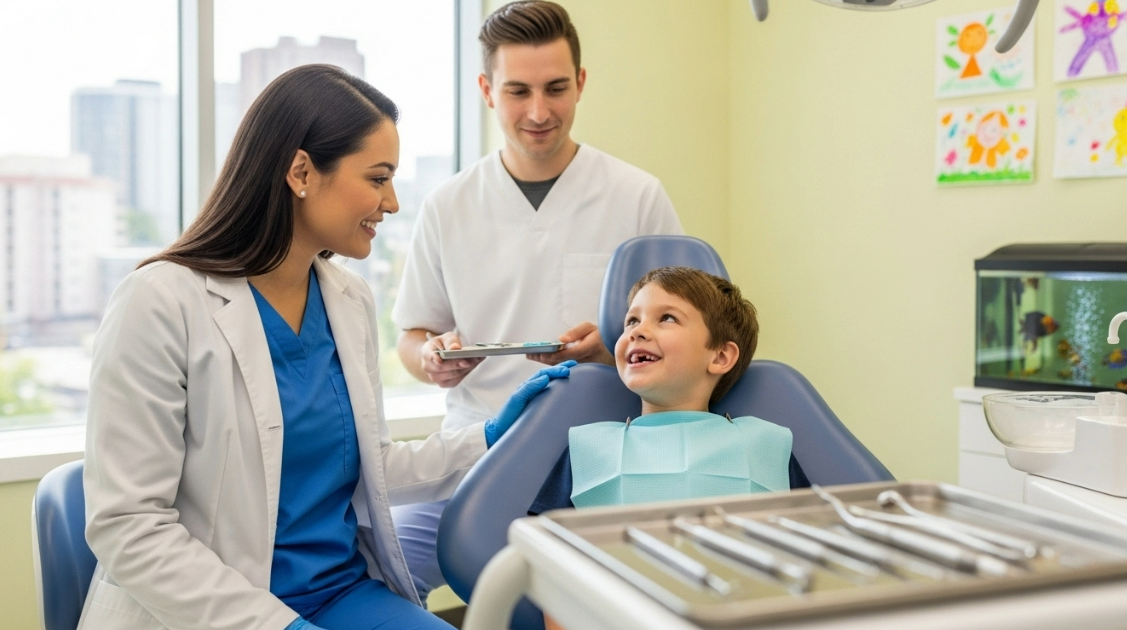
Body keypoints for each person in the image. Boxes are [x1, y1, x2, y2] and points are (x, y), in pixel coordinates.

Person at [81, 64, 571, 630]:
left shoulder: (349, 300)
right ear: (301, 172)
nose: (391, 203)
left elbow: (371, 465)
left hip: (339, 594)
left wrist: (490, 439)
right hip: (214, 610)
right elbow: (130, 525)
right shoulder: (160, 302)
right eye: (377, 177)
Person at [390, 0, 683, 599]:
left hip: (608, 453)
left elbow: (686, 332)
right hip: (478, 453)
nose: (539, 111)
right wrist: (431, 359)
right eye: (518, 91)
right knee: (376, 566)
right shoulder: (449, 205)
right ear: (487, 90)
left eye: (555, 88)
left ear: (580, 83)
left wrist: (614, 347)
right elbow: (412, 336)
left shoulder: (636, 196)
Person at [528, 266, 810, 516]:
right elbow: (542, 550)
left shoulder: (766, 445)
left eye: (667, 318)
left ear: (720, 357)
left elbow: (813, 541)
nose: (637, 332)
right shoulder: (589, 448)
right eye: (632, 321)